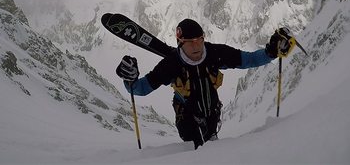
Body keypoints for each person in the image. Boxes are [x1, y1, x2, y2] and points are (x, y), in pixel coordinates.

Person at [116, 18, 286, 149]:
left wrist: (271, 52)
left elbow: (250, 60)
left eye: (200, 39)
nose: (196, 45)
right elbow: (141, 89)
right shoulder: (171, 65)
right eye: (190, 41)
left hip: (212, 112)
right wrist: (129, 79)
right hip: (186, 116)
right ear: (181, 43)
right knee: (197, 151)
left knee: (213, 147)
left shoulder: (215, 53)